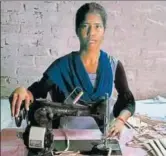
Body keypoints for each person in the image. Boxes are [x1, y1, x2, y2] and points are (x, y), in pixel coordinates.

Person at [9, 2, 135, 138]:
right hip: (66, 135)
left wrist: (120, 120)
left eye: (97, 27)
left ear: (104, 30)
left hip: (104, 134)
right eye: (85, 26)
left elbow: (128, 101)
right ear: (77, 30)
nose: (91, 32)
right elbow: (38, 91)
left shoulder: (113, 65)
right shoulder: (61, 66)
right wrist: (22, 91)